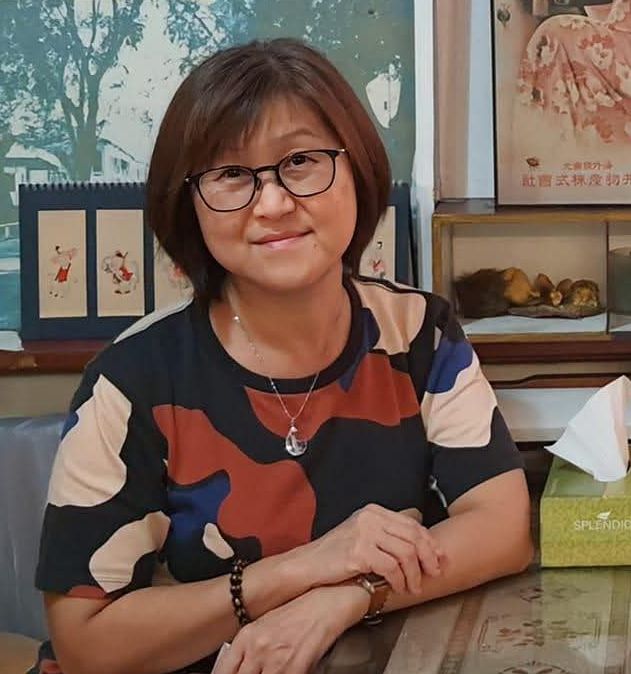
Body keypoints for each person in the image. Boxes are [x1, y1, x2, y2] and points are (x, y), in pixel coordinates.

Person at [31, 38, 533, 674]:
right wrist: (302, 571)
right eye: (231, 174)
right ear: (188, 204)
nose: (271, 203)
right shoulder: (133, 379)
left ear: (357, 171)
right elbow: (86, 642)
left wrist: (349, 595)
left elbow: (502, 526)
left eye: (301, 161)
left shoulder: (417, 333)